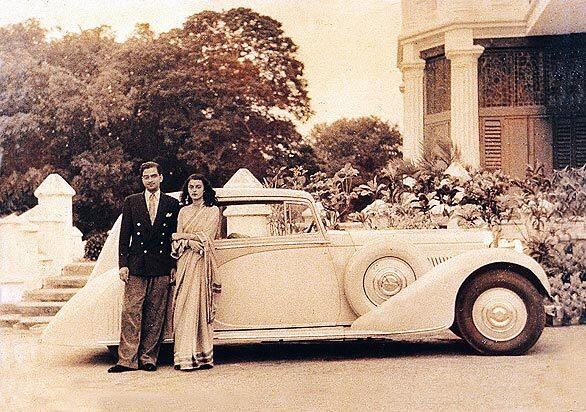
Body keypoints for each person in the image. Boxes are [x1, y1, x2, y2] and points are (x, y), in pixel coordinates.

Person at [108, 161, 180, 373]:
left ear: (161, 178)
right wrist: (123, 264)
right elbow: (124, 236)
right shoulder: (132, 202)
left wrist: (173, 265)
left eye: (153, 176)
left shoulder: (171, 204)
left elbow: (174, 238)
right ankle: (126, 360)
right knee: (131, 311)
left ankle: (148, 358)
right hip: (137, 264)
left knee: (155, 314)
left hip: (161, 265)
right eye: (146, 177)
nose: (150, 180)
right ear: (142, 180)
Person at [171, 174, 221, 371]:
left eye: (198, 187)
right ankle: (184, 357)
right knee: (183, 307)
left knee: (198, 306)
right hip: (184, 263)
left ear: (204, 189)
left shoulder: (213, 211)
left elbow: (206, 239)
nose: (194, 190)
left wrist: (185, 237)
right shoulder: (183, 211)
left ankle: (202, 356)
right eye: (191, 187)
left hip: (201, 263)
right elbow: (174, 240)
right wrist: (185, 240)